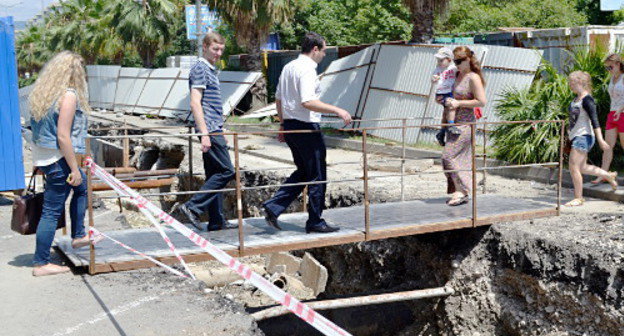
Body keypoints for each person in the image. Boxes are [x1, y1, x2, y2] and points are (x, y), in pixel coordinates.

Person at [262, 32, 352, 233]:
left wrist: (283, 125)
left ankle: (273, 207)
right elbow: (308, 101)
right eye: (324, 51)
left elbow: (278, 99)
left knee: (304, 172)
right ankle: (315, 221)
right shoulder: (307, 69)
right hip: (306, 127)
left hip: (292, 126)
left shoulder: (288, 67)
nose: (323, 55)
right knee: (317, 175)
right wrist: (337, 110)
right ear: (315, 49)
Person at [29, 51, 90, 276]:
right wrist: (74, 168)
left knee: (81, 188)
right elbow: (63, 136)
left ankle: (79, 235)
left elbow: (35, 131)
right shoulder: (68, 95)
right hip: (59, 160)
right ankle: (41, 263)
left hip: (46, 158)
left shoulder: (42, 95)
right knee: (51, 211)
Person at [177, 32, 236, 231]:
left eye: (221, 50)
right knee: (227, 171)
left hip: (213, 127)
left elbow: (210, 104)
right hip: (209, 129)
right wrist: (205, 133)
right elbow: (195, 102)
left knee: (214, 173)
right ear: (204, 46)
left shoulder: (209, 70)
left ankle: (216, 219)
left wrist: (219, 126)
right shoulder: (201, 69)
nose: (218, 53)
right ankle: (192, 207)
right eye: (215, 49)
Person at [441, 46, 487, 206]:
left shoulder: (473, 77)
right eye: (455, 61)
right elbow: (444, 93)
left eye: (459, 61)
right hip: (452, 122)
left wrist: (459, 102)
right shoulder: (456, 75)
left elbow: (481, 101)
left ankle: (464, 190)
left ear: (468, 60)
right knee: (457, 158)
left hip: (466, 123)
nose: (457, 64)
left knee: (448, 156)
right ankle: (458, 190)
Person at [565, 71, 617, 206]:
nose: (570, 85)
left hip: (584, 136)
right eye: (570, 82)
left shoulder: (587, 100)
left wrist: (601, 140)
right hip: (577, 135)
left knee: (573, 166)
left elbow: (595, 121)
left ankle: (578, 198)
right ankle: (608, 175)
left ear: (581, 82)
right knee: (581, 167)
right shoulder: (576, 99)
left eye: (572, 82)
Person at [591, 53, 624, 184]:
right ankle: (603, 174)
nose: (608, 70)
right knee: (607, 146)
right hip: (612, 114)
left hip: (622, 114)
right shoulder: (612, 79)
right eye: (607, 68)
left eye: (610, 67)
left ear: (617, 64)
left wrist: (620, 110)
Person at [432, 47, 459, 146]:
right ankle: (451, 125)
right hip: (441, 93)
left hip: (450, 91)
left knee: (446, 112)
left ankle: (442, 132)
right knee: (451, 105)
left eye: (441, 60)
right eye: (438, 60)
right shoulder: (438, 69)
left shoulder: (453, 68)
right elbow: (433, 79)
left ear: (449, 59)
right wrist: (434, 79)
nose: (439, 62)